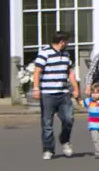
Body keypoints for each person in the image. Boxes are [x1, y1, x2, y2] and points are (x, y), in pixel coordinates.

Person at [31, 31, 81, 160]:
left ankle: (65, 141)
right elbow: (37, 71)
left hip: (64, 93)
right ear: (62, 41)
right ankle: (48, 149)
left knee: (69, 119)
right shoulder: (45, 53)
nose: (68, 43)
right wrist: (36, 88)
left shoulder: (66, 54)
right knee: (47, 123)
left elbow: (70, 72)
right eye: (67, 41)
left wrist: (75, 88)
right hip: (48, 94)